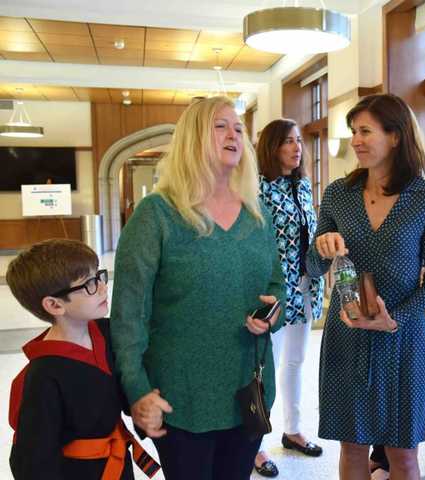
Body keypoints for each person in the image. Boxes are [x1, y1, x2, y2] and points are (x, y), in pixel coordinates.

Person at [110, 96, 286, 480]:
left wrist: (272, 314)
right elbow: (128, 314)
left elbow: (277, 285)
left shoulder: (258, 215)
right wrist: (137, 389)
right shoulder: (156, 215)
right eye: (220, 125)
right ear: (192, 139)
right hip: (180, 397)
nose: (233, 134)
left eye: (238, 128)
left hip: (248, 390)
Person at [306, 93, 425, 480]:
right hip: (347, 335)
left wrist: (394, 319)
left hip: (403, 340)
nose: (356, 140)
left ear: (396, 136)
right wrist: (321, 247)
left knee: (402, 455)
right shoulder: (339, 193)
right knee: (351, 448)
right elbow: (313, 265)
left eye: (365, 131)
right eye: (354, 131)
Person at [6, 239, 159, 479]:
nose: (102, 287)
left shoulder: (105, 333)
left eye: (98, 276)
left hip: (118, 465)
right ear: (54, 305)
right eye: (88, 284)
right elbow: (33, 461)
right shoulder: (43, 375)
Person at [254, 118, 325, 477]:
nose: (297, 147)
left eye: (299, 141)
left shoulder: (304, 186)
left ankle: (293, 429)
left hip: (306, 286)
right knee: (266, 367)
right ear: (272, 147)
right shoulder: (258, 189)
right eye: (288, 142)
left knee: (296, 362)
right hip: (273, 291)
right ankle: (257, 444)